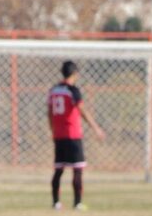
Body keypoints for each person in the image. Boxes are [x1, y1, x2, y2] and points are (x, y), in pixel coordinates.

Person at [48, 61, 105, 211]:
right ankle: (77, 203)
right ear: (74, 74)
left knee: (59, 169)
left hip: (59, 135)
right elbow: (82, 110)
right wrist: (96, 128)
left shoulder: (54, 90)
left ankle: (56, 203)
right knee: (77, 169)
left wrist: (52, 130)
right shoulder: (73, 90)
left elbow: (49, 113)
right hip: (73, 134)